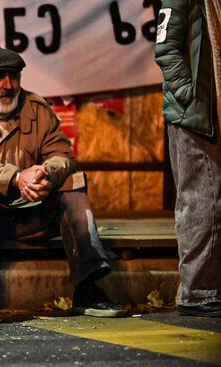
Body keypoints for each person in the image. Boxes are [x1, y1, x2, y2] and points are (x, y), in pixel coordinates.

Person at [0, 47, 125, 319]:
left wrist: (45, 173)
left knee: (71, 181)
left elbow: (63, 155)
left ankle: (88, 287)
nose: (7, 86)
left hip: (30, 215)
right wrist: (17, 178)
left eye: (13, 76)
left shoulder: (37, 107)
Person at [155, 0, 221, 317]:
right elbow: (166, 48)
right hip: (194, 115)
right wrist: (188, 94)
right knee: (201, 201)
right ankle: (196, 293)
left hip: (213, 112)